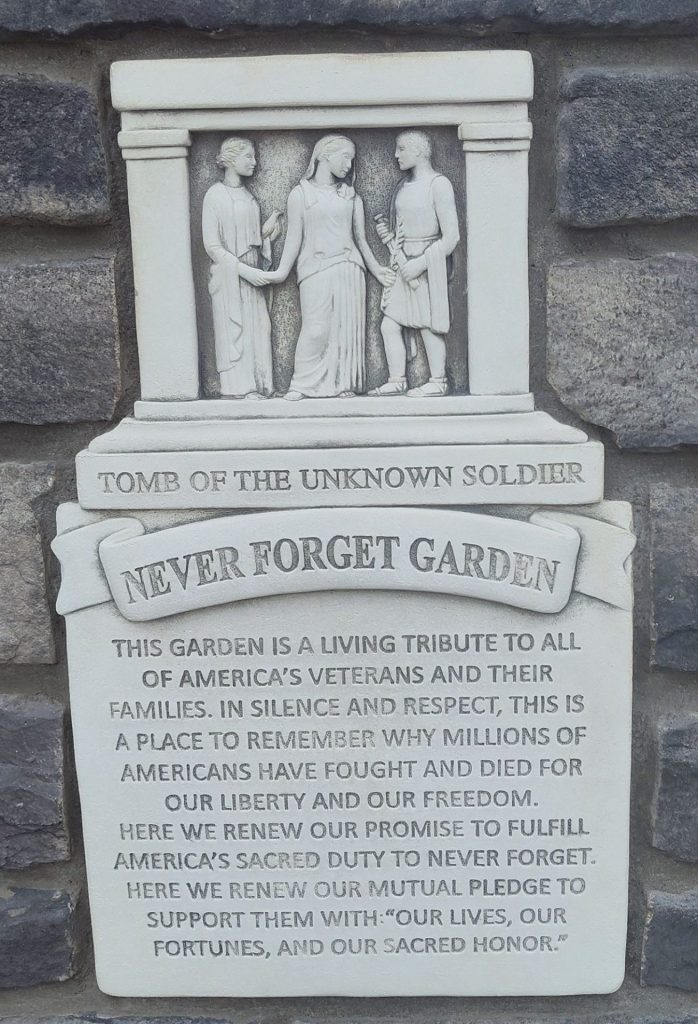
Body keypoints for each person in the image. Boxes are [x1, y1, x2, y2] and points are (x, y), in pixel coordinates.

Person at [263, 135, 394, 399]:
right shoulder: (301, 194)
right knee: (316, 330)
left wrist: (377, 270)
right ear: (324, 154)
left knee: (345, 333)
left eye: (352, 159)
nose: (349, 165)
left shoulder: (351, 196)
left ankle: (343, 383)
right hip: (315, 268)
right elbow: (294, 239)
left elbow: (361, 240)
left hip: (349, 268)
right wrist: (281, 272)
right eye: (345, 157)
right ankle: (301, 385)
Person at [370, 130, 460, 397]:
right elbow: (401, 227)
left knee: (428, 325)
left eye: (401, 149)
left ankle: (438, 381)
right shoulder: (402, 186)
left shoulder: (438, 185)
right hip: (401, 261)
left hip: (427, 264)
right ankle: (397, 379)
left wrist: (420, 264)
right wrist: (389, 237)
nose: (396, 155)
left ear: (418, 150)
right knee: (389, 325)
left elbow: (452, 237)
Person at [202, 137, 282, 399]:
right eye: (248, 156)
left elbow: (250, 240)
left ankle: (261, 386)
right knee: (237, 333)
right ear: (231, 158)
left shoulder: (249, 197)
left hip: (253, 274)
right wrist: (244, 271)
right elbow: (212, 246)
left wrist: (266, 236)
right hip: (230, 278)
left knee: (260, 328)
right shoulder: (215, 195)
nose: (254, 162)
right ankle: (239, 389)